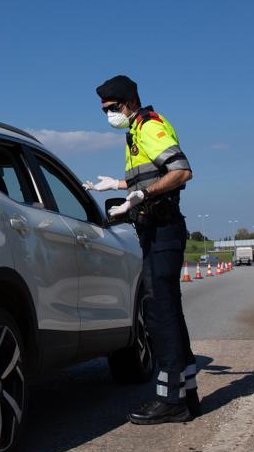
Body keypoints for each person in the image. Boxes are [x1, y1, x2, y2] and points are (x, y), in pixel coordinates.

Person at [84, 74, 202, 425]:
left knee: (158, 312)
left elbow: (181, 172)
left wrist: (144, 195)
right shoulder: (134, 132)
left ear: (128, 102)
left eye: (111, 108)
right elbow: (149, 176)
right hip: (153, 230)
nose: (108, 115)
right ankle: (189, 394)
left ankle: (171, 401)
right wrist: (119, 185)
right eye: (104, 110)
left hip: (163, 228)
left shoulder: (149, 126)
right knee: (168, 310)